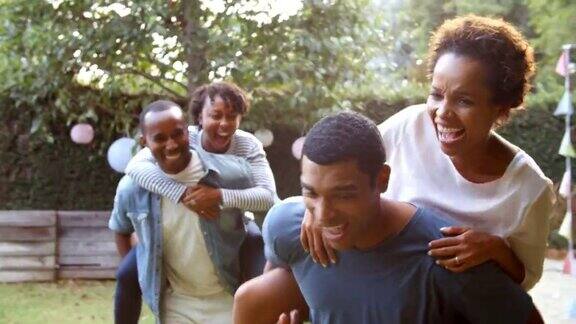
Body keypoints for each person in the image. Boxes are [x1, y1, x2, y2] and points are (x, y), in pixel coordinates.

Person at [234, 14, 554, 323]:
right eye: (436, 94)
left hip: (452, 294)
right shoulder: (410, 125)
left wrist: (497, 250)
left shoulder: (528, 188)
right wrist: (319, 208)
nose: (443, 113)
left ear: (501, 107)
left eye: (464, 101)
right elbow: (348, 159)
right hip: (375, 260)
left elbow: (525, 279)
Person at [234, 111, 543, 324]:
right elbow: (268, 295)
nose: (324, 216)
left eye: (344, 194)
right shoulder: (287, 226)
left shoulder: (447, 257)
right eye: (311, 193)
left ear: (382, 180)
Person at [115, 82, 275, 323]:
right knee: (127, 273)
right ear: (199, 118)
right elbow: (135, 167)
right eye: (216, 116)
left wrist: (219, 196)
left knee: (256, 255)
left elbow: (267, 197)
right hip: (180, 229)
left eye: (232, 116)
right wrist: (182, 195)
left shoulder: (247, 145)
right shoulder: (183, 135)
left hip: (237, 217)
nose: (224, 124)